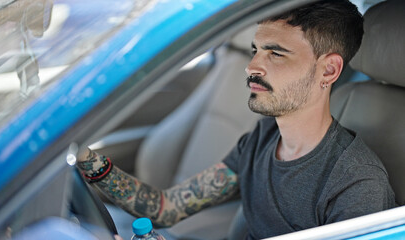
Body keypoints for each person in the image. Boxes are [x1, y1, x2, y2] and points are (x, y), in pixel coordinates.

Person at [76, 0, 396, 239]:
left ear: (328, 70)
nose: (252, 66)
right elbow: (165, 208)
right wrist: (87, 162)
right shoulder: (265, 137)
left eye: (276, 53)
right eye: (256, 49)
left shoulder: (356, 185)